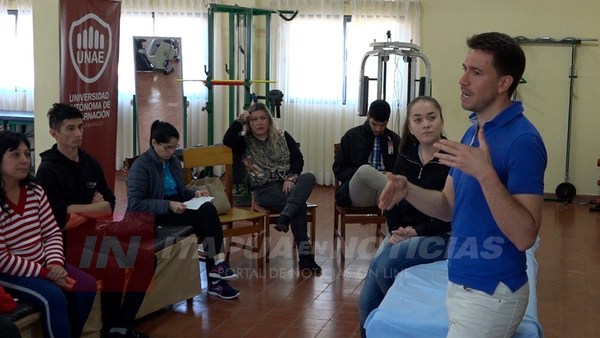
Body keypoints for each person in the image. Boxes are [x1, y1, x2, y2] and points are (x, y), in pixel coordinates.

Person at [379, 32, 547, 337]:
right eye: (464, 68)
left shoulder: (523, 141)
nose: (462, 79)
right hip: (460, 281)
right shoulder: (474, 131)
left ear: (503, 83)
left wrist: (485, 173)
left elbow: (525, 235)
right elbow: (448, 207)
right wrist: (408, 190)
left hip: (491, 291)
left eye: (476, 72)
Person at [36, 103, 154, 338]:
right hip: (65, 246)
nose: (78, 133)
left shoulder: (90, 162)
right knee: (114, 269)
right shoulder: (48, 171)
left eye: (80, 127)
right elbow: (58, 221)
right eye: (70, 128)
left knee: (146, 259)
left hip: (93, 236)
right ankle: (110, 330)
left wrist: (77, 209)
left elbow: (108, 207)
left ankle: (121, 325)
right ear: (54, 133)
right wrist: (92, 207)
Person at [358, 96, 451, 337]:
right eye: (418, 120)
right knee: (367, 295)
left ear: (442, 121)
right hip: (401, 231)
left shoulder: (453, 159)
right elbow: (391, 200)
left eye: (432, 118)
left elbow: (450, 212)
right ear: (410, 127)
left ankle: (400, 320)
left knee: (386, 266)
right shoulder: (405, 155)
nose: (426, 125)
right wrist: (396, 229)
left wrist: (416, 232)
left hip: (439, 234)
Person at [126, 120, 241, 299]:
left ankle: (218, 268)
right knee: (208, 221)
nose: (172, 152)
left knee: (208, 210)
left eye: (175, 147)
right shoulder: (141, 167)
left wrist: (194, 194)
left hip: (176, 208)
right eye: (167, 147)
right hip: (154, 217)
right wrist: (168, 205)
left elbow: (180, 191)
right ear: (154, 143)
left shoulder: (172, 162)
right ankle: (217, 278)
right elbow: (135, 204)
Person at [0, 130, 96, 337]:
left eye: (27, 154)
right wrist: (45, 273)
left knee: (86, 286)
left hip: (45, 263)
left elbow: (52, 233)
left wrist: (53, 263)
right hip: (10, 272)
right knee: (53, 297)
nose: (25, 160)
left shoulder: (35, 190)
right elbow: (2, 259)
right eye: (15, 155)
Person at [223, 102, 321, 272]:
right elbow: (227, 140)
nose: (259, 123)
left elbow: (298, 160)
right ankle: (305, 257)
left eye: (263, 118)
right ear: (249, 123)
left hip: (288, 184)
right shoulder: (244, 142)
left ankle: (285, 216)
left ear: (269, 120)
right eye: (253, 120)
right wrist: (239, 120)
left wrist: (290, 178)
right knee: (299, 205)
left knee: (309, 177)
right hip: (264, 188)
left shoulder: (283, 136)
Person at [332, 99, 401, 208]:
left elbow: (400, 168)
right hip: (361, 192)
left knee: (391, 203)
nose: (378, 129)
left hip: (383, 195)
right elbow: (339, 169)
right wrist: (366, 174)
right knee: (365, 169)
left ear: (387, 121)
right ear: (368, 116)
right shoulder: (352, 136)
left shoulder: (394, 139)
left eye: (383, 125)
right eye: (374, 124)